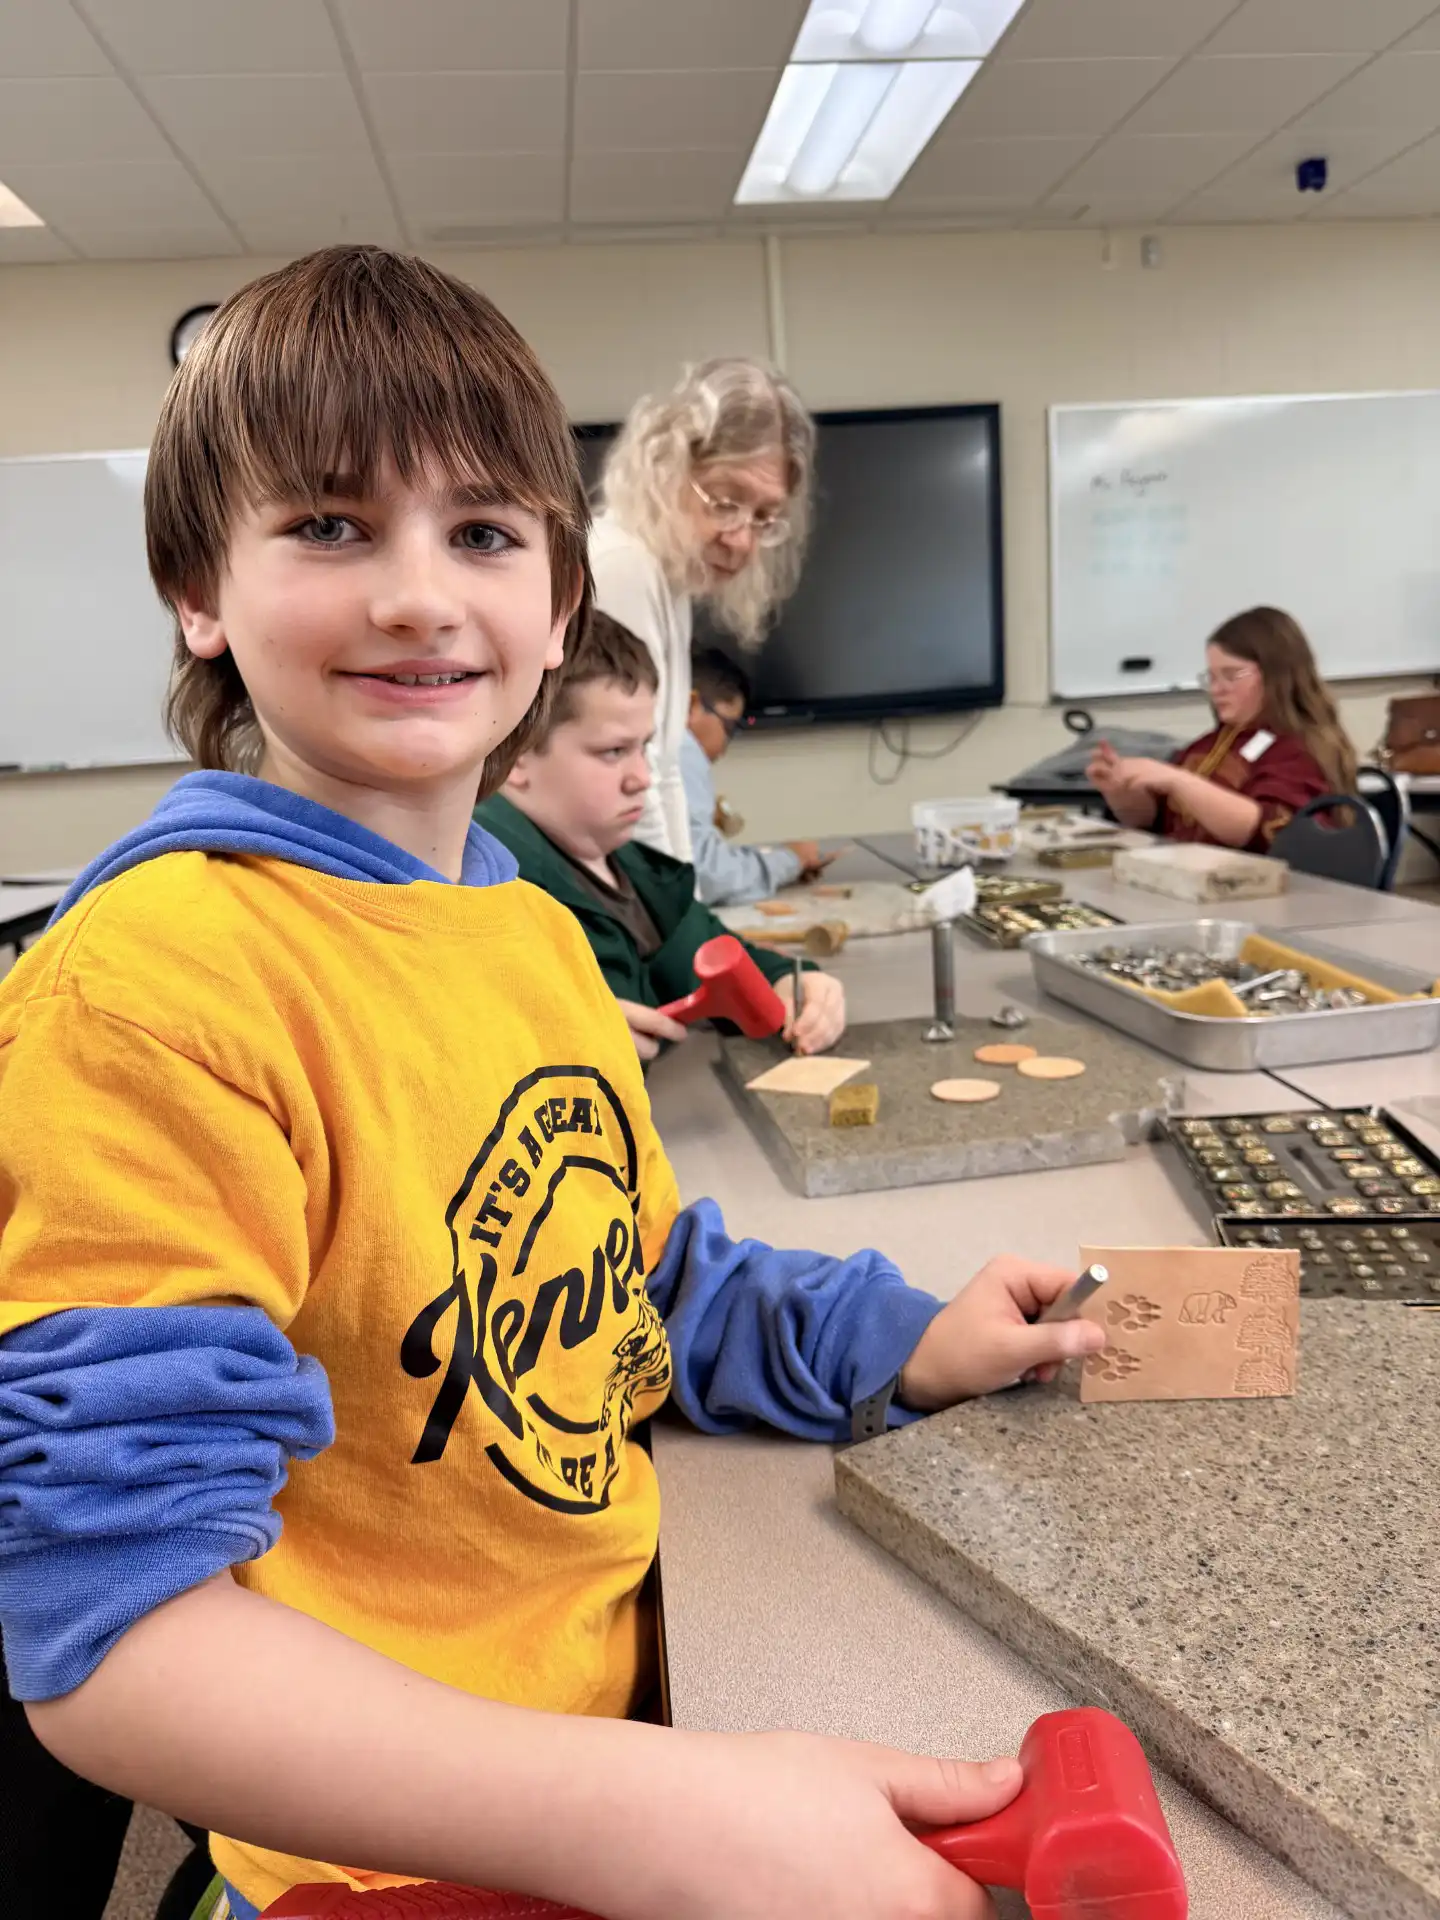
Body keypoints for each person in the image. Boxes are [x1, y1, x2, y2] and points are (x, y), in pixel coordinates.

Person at [0, 246, 1105, 1920]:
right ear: (197, 590)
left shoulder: (525, 944)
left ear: (554, 599)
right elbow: (114, 1629)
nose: (420, 595)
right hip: (390, 1868)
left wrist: (906, 1337)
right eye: (326, 525)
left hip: (626, 1725)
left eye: (484, 534)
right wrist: (665, 1819)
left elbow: (626, 1287)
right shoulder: (158, 984)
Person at [476, 615, 845, 1062]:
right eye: (613, 752)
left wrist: (794, 981)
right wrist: (545, 1037)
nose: (643, 778)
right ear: (517, 753)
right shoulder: (482, 887)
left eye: (644, 748)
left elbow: (716, 957)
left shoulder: (628, 868)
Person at [589, 359, 815, 863]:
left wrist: (684, 909)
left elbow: (663, 771)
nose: (742, 540)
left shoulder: (667, 575)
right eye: (725, 501)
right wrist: (673, 927)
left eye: (763, 517)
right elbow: (631, 783)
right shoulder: (622, 566)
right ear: (666, 467)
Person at [1086, 607, 1357, 852]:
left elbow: (1264, 828)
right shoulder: (1209, 744)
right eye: (1212, 677)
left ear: (1277, 674)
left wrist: (1177, 780)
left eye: (1231, 675)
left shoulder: (1300, 749)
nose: (1216, 689)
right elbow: (1154, 819)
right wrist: (1121, 790)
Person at [681, 646, 830, 907]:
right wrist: (791, 860)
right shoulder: (682, 751)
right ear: (691, 706)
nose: (727, 743)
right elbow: (711, 878)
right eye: (729, 727)